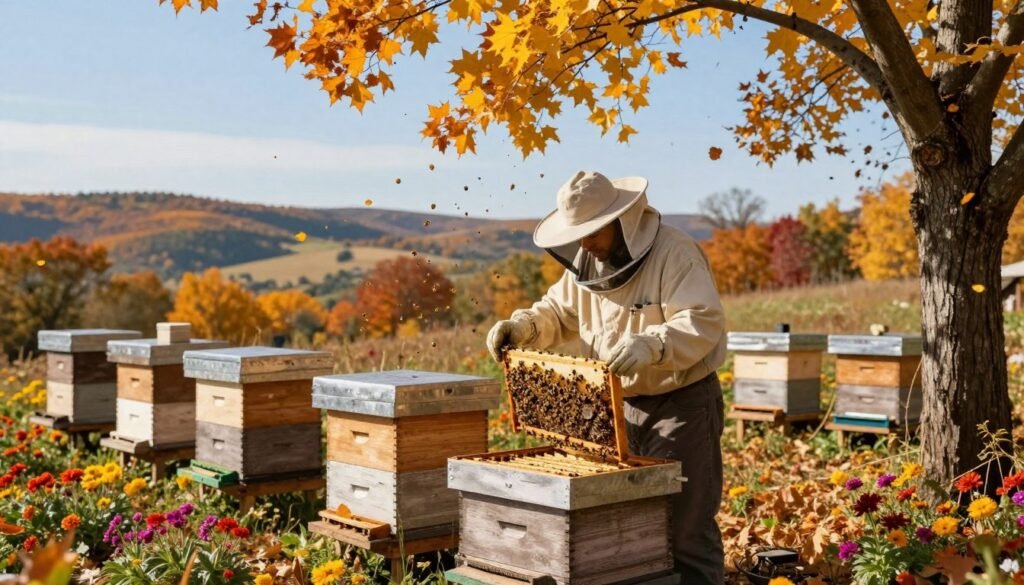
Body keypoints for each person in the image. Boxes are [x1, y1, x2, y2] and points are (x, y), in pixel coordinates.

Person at [486, 170, 728, 585]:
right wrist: (524, 326)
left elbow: (702, 320)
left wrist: (653, 344)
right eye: (578, 233)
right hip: (613, 408)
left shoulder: (675, 254)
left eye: (593, 232)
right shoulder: (586, 263)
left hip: (680, 403)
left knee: (687, 525)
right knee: (629, 524)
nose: (585, 243)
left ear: (623, 220)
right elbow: (558, 312)